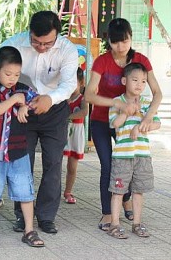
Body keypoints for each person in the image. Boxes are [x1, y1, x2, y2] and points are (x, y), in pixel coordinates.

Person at [0, 11, 78, 234]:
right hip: (21, 112)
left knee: (53, 163)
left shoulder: (67, 49)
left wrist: (50, 99)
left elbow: (70, 84)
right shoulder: (14, 44)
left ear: (57, 36)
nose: (41, 47)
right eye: (36, 42)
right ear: (29, 32)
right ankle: (22, 216)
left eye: (47, 43)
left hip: (54, 109)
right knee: (22, 163)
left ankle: (47, 216)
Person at [84, 18, 162, 231]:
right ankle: (108, 213)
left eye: (124, 41)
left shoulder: (141, 60)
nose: (120, 47)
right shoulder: (102, 61)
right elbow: (89, 95)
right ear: (109, 41)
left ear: (130, 39)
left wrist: (148, 118)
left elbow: (157, 92)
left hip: (129, 122)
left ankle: (126, 200)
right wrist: (116, 103)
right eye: (116, 42)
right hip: (102, 119)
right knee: (108, 166)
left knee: (128, 161)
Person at [0, 46, 44, 247]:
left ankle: (30, 230)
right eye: (7, 73)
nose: (12, 78)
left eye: (16, 74)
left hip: (18, 151)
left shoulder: (23, 89)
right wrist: (14, 100)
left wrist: (24, 106)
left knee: (25, 191)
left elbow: (36, 102)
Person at [107, 62, 160, 239]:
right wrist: (128, 111)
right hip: (123, 156)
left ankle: (137, 223)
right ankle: (114, 224)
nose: (140, 85)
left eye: (144, 81)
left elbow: (157, 123)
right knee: (118, 191)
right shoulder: (117, 103)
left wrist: (144, 125)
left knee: (139, 190)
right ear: (124, 80)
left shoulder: (146, 103)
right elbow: (114, 124)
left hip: (142, 155)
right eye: (135, 80)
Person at [63, 68, 88, 204]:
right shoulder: (63, 98)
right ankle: (53, 190)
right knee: (55, 163)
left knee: (72, 166)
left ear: (81, 83)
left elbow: (84, 112)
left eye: (74, 83)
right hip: (61, 131)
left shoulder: (83, 99)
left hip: (76, 132)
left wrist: (67, 117)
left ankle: (68, 191)